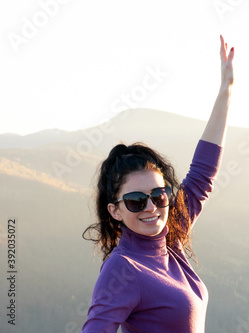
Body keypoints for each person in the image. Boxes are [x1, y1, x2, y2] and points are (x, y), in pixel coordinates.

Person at [81, 35, 234, 333]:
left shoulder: (171, 236)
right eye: (136, 201)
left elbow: (203, 173)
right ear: (115, 211)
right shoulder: (123, 268)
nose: (151, 207)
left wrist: (226, 91)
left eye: (159, 195)